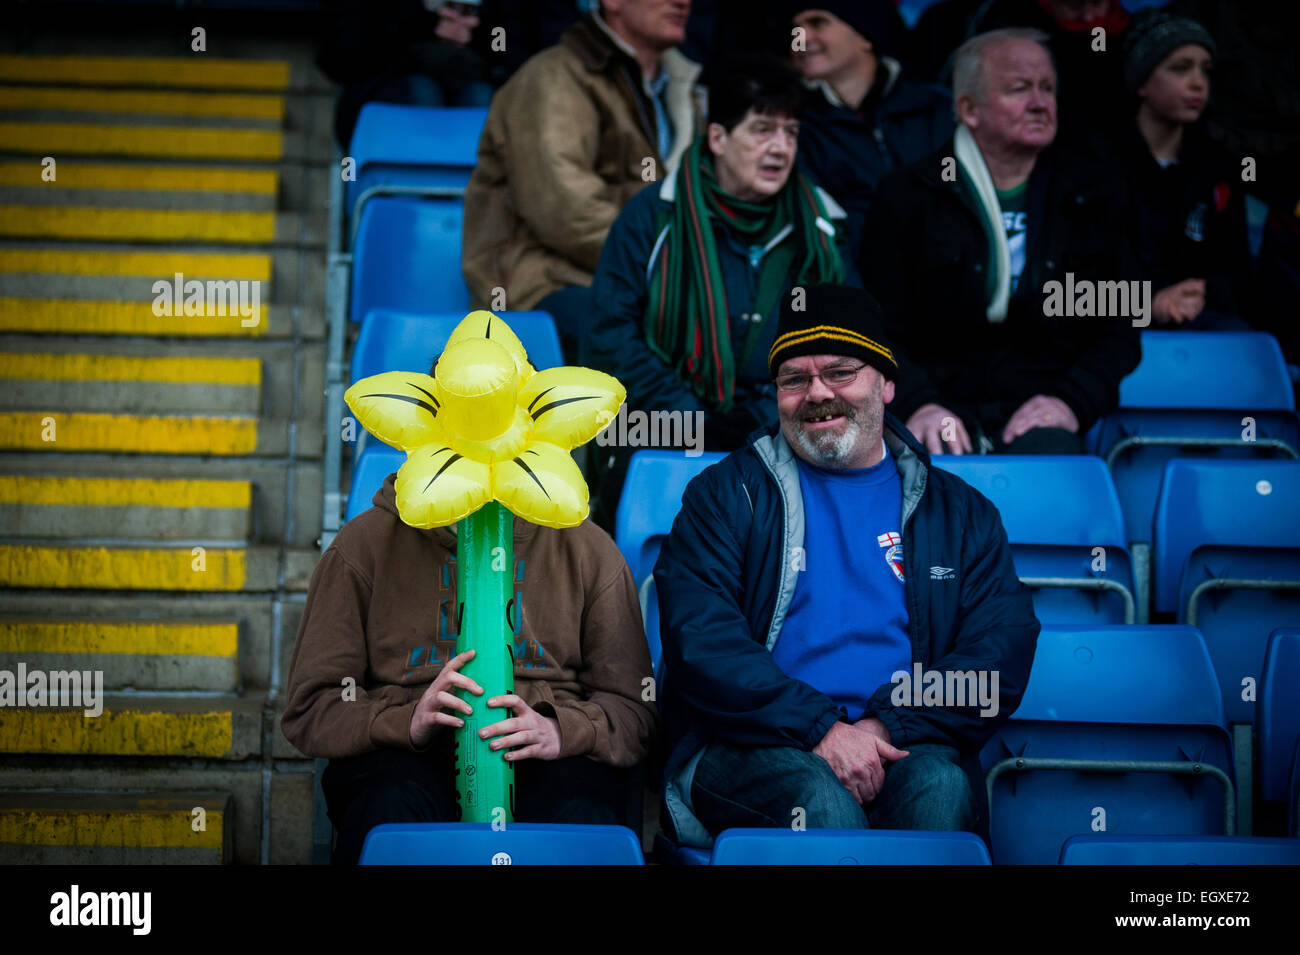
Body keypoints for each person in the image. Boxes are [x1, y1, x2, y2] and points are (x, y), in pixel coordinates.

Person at [654, 284, 1040, 848]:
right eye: (794, 379)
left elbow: (999, 653)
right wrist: (821, 729)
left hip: (905, 739)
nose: (817, 393)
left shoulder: (958, 512)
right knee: (819, 802)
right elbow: (700, 643)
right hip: (753, 744)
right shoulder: (725, 494)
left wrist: (885, 726)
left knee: (939, 787)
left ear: (886, 383)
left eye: (840, 372)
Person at [281, 430, 659, 864]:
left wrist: (562, 730)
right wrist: (404, 721)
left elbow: (636, 711)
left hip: (550, 755)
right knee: (389, 814)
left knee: (582, 821)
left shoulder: (590, 550)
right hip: (403, 755)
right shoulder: (362, 546)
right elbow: (310, 708)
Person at [581, 55, 855, 525]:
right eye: (762, 129)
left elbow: (842, 341)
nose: (779, 147)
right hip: (665, 416)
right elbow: (609, 337)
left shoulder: (821, 225)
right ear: (718, 138)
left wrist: (764, 415)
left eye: (790, 132)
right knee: (628, 441)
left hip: (785, 420)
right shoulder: (654, 215)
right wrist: (690, 416)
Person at [860, 28, 1141, 456]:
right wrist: (920, 404)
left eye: (1047, 88)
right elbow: (877, 326)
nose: (1039, 101)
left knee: (1053, 476)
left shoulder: (1093, 194)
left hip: (1044, 411)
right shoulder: (909, 195)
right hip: (933, 409)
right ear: (969, 109)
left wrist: (1070, 402)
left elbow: (1118, 326)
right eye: (1018, 88)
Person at [461, 0, 704, 357]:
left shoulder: (685, 90)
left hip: (646, 285)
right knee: (641, 346)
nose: (682, 2)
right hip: (545, 286)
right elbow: (566, 212)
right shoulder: (553, 77)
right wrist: (674, 267)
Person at [1112, 10, 1253, 331]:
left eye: (1206, 70)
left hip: (1196, 323)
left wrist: (1203, 293)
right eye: (1180, 69)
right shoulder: (1091, 164)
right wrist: (1147, 304)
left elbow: (1237, 274)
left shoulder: (1218, 168)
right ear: (1142, 81)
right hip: (1110, 327)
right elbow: (1064, 289)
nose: (1198, 83)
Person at [789, 3, 953, 255]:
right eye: (796, 28)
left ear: (865, 37)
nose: (800, 37)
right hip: (857, 280)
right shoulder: (795, 122)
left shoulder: (937, 106)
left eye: (818, 23)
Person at [319, 0, 495, 150]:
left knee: (481, 98)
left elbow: (507, 48)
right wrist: (427, 23)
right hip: (378, 95)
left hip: (476, 87)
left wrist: (477, 31)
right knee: (421, 92)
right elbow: (338, 53)